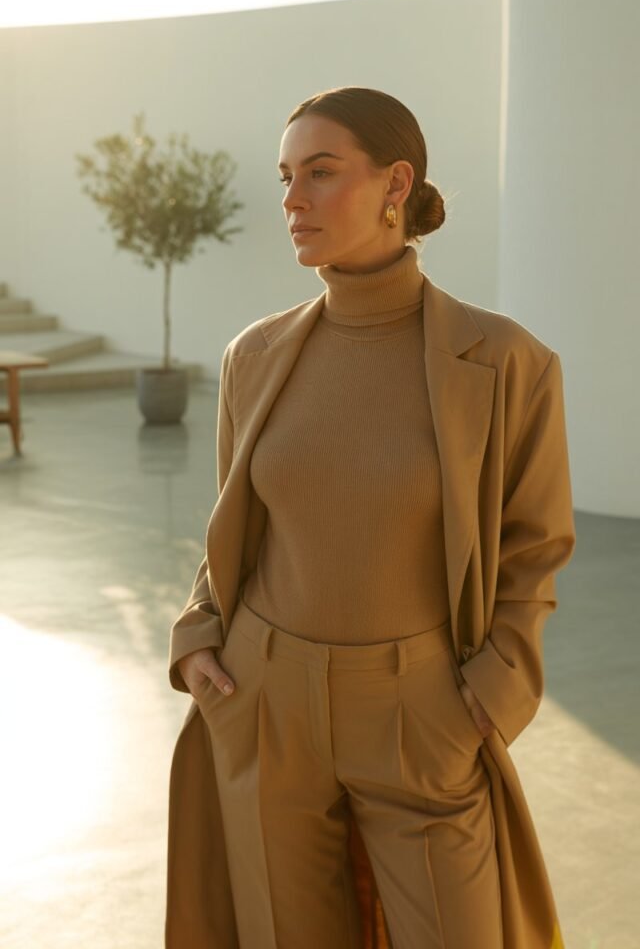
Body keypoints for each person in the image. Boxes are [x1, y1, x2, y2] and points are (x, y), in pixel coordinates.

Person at [166, 86, 576, 949]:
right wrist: (201, 631)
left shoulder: (506, 361)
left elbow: (533, 552)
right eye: (285, 177)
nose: (292, 200)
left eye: (321, 172)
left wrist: (487, 698)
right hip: (264, 702)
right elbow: (235, 530)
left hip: (420, 711)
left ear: (397, 184)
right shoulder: (256, 355)